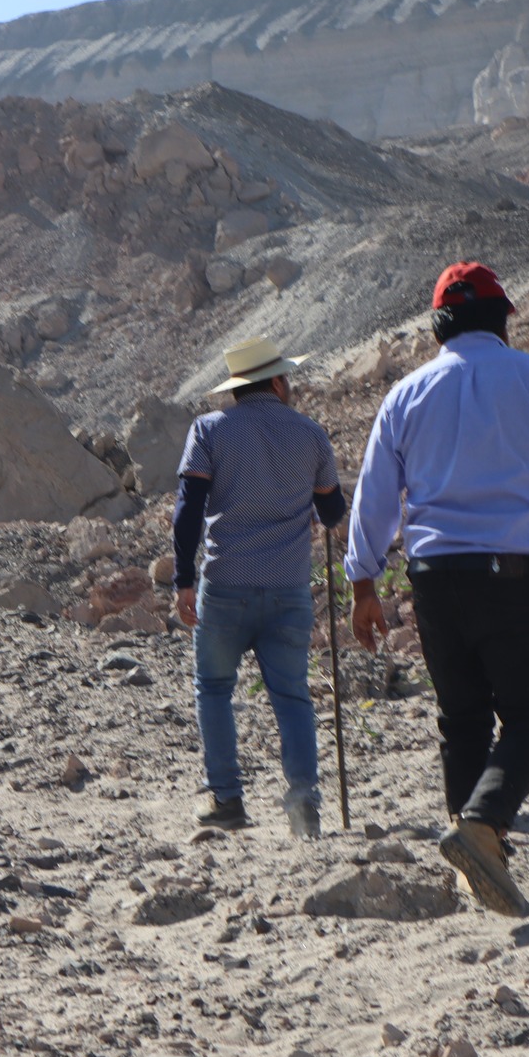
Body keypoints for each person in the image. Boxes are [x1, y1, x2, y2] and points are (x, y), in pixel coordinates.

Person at [345, 262, 529, 916]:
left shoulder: (406, 395)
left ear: (437, 328)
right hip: (514, 579)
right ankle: (481, 827)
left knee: (463, 720)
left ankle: (475, 866)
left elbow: (374, 497)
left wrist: (362, 581)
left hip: (434, 582)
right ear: (504, 319)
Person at [173, 338, 345, 839]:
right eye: (287, 378)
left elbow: (188, 511)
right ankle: (304, 806)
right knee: (292, 696)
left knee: (214, 689)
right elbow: (333, 512)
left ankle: (227, 800)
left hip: (225, 583)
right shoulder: (311, 434)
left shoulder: (209, 430)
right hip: (289, 587)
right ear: (276, 381)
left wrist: (184, 578)